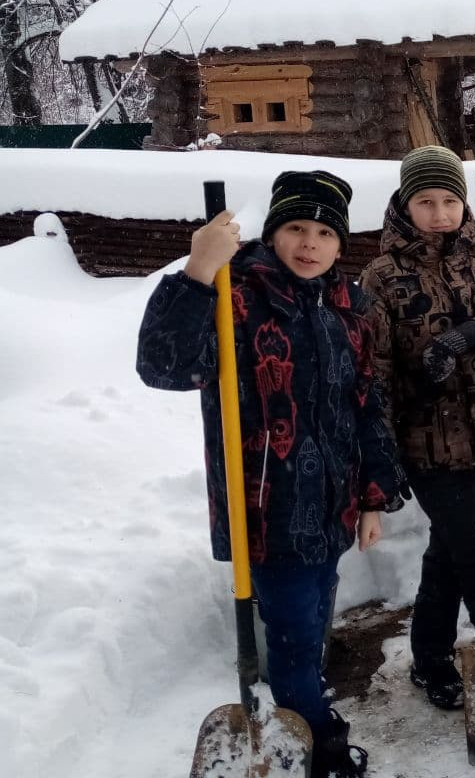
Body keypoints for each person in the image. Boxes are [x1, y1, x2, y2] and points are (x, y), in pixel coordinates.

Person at [136, 170, 406, 777]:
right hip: (266, 510)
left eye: (323, 233)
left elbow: (366, 404)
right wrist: (197, 273)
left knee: (310, 623)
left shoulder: (348, 306)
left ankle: (305, 712)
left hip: (333, 505)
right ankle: (318, 749)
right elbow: (162, 365)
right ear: (272, 232)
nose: (308, 244)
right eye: (294, 229)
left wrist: (371, 498)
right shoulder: (237, 296)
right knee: (290, 633)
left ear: (341, 245)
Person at [359, 146, 475, 711]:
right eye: (425, 201)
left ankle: (430, 658)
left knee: (450, 553)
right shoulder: (382, 276)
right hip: (428, 441)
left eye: (449, 201)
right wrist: (381, 457)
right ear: (404, 205)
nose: (439, 213)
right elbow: (376, 373)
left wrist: (469, 336)